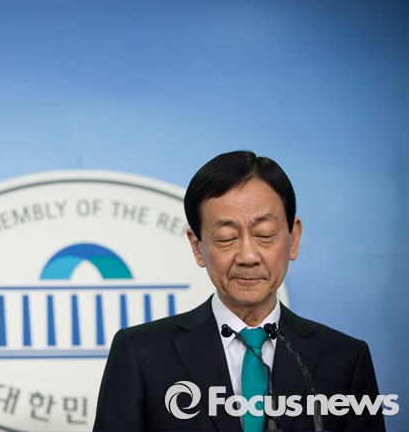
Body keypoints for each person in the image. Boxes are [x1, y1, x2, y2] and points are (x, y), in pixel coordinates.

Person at [93, 151, 385, 431]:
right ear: (197, 247)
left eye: (264, 235)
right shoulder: (141, 353)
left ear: (293, 239)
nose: (248, 256)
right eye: (226, 237)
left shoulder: (345, 359)